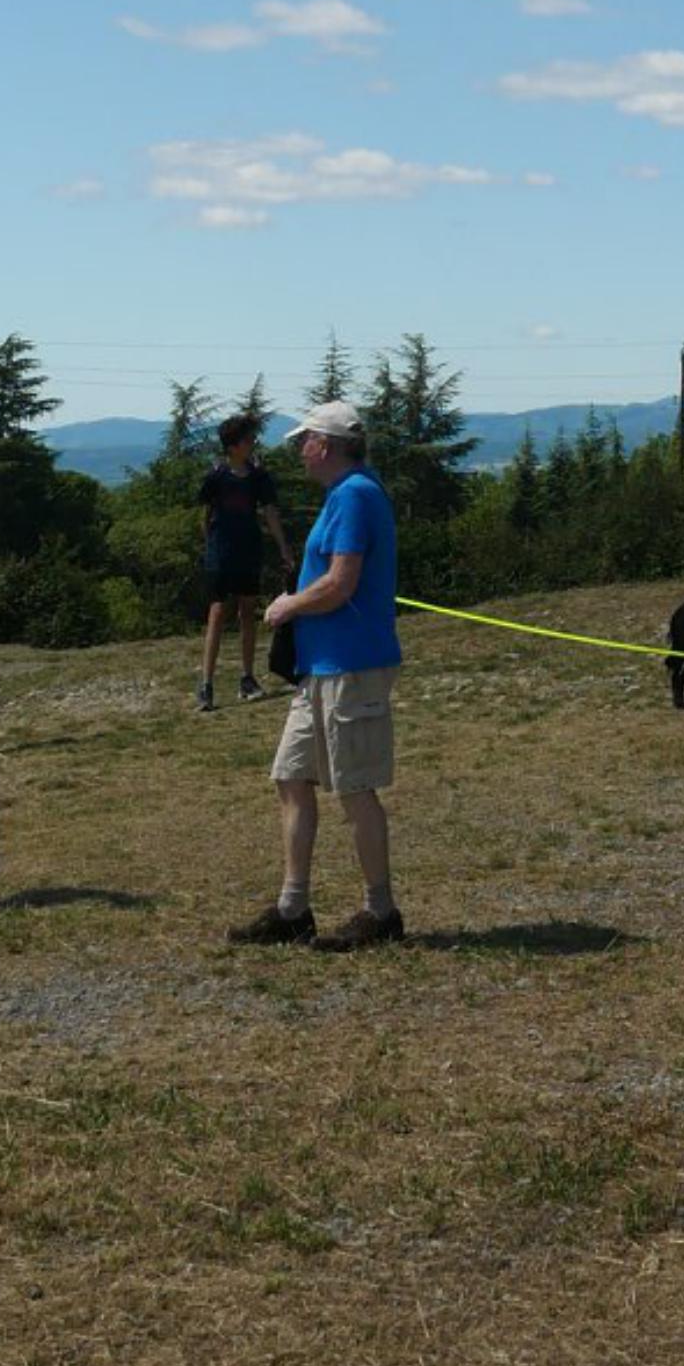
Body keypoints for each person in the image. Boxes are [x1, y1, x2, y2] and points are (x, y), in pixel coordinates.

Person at [229, 396, 402, 953]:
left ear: (325, 445)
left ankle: (381, 912)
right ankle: (292, 908)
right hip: (322, 669)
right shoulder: (343, 495)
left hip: (351, 666)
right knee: (292, 778)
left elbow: (341, 583)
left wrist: (288, 606)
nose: (300, 450)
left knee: (355, 790)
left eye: (305, 441)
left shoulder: (354, 495)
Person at [195, 413, 289, 712]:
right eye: (248, 439)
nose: (253, 444)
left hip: (249, 549)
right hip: (221, 552)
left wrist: (284, 547)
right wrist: (210, 547)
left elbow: (270, 512)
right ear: (233, 445)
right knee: (218, 612)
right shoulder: (216, 476)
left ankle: (247, 679)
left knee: (248, 611)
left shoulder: (259, 477)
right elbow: (205, 515)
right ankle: (206, 684)